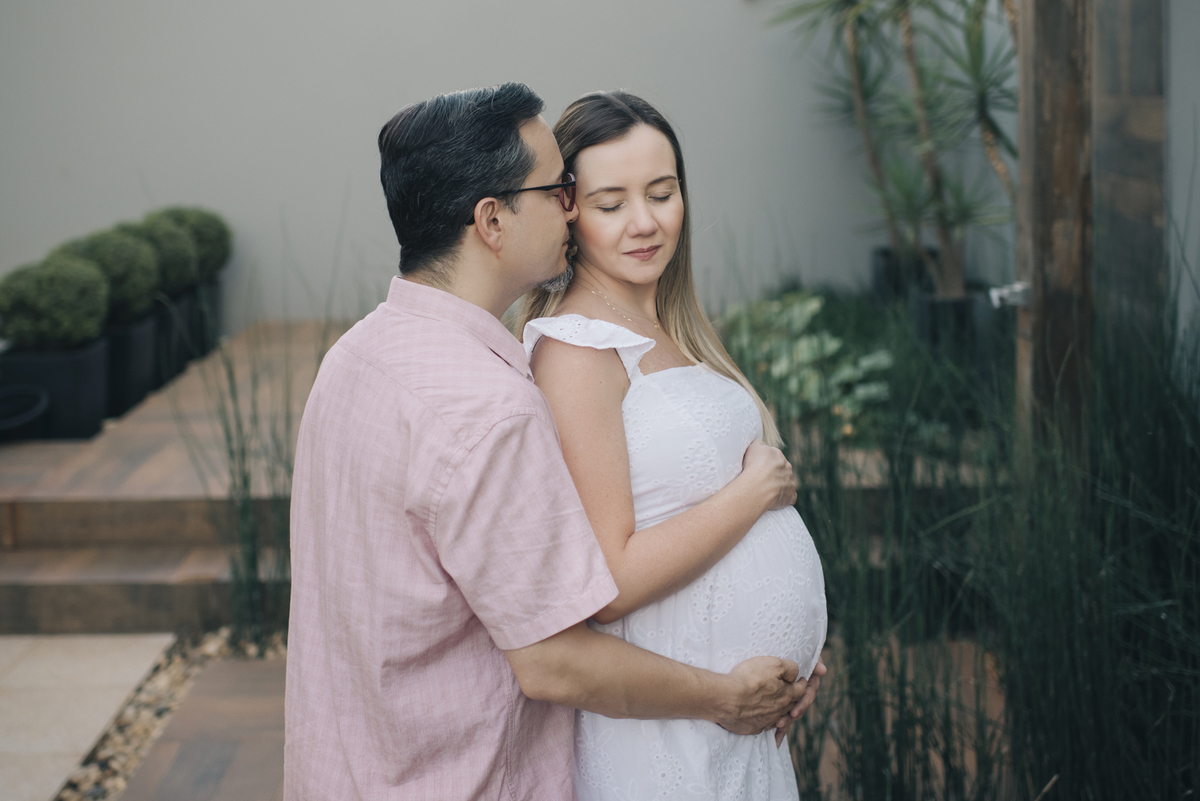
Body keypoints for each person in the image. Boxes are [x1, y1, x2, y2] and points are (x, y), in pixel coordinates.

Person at [284, 83, 821, 801]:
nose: (569, 206)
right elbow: (556, 660)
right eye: (559, 190)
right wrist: (726, 695)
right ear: (492, 219)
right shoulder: (488, 409)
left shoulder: (355, 357)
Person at [520, 91, 829, 801]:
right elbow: (611, 581)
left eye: (662, 192)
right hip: (668, 734)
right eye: (611, 203)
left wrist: (798, 658)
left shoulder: (673, 323)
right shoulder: (576, 350)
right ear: (568, 210)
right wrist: (751, 496)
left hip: (744, 724)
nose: (645, 221)